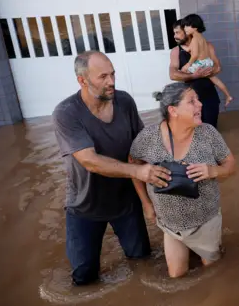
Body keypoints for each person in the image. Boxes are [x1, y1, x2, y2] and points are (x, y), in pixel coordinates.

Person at [52, 50, 173, 286]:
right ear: (82, 80)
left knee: (142, 262)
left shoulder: (124, 101)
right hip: (85, 206)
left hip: (126, 202)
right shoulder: (66, 113)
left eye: (113, 74)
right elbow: (90, 160)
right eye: (103, 77)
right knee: (84, 277)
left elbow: (141, 145)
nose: (111, 82)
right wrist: (137, 172)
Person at [129, 82, 237, 278]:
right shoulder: (148, 138)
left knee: (214, 274)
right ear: (173, 110)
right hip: (170, 226)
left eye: (198, 100)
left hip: (205, 220)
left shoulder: (208, 133)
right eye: (192, 101)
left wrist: (213, 171)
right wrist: (146, 203)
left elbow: (231, 165)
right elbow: (133, 164)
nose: (200, 105)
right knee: (177, 277)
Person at [169, 17, 222, 129]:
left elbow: (218, 67)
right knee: (193, 132)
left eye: (178, 33)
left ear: (187, 31)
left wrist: (209, 71)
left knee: (211, 130)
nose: (175, 36)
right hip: (189, 99)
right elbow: (173, 75)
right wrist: (194, 75)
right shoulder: (176, 51)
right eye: (174, 33)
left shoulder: (207, 46)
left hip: (209, 96)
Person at [181, 14, 233, 107]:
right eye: (184, 26)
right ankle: (228, 95)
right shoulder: (201, 38)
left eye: (187, 26)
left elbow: (195, 54)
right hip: (207, 62)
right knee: (215, 80)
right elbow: (190, 49)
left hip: (200, 64)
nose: (185, 28)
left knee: (183, 72)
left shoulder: (194, 39)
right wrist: (184, 47)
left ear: (195, 27)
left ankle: (184, 100)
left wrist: (188, 65)